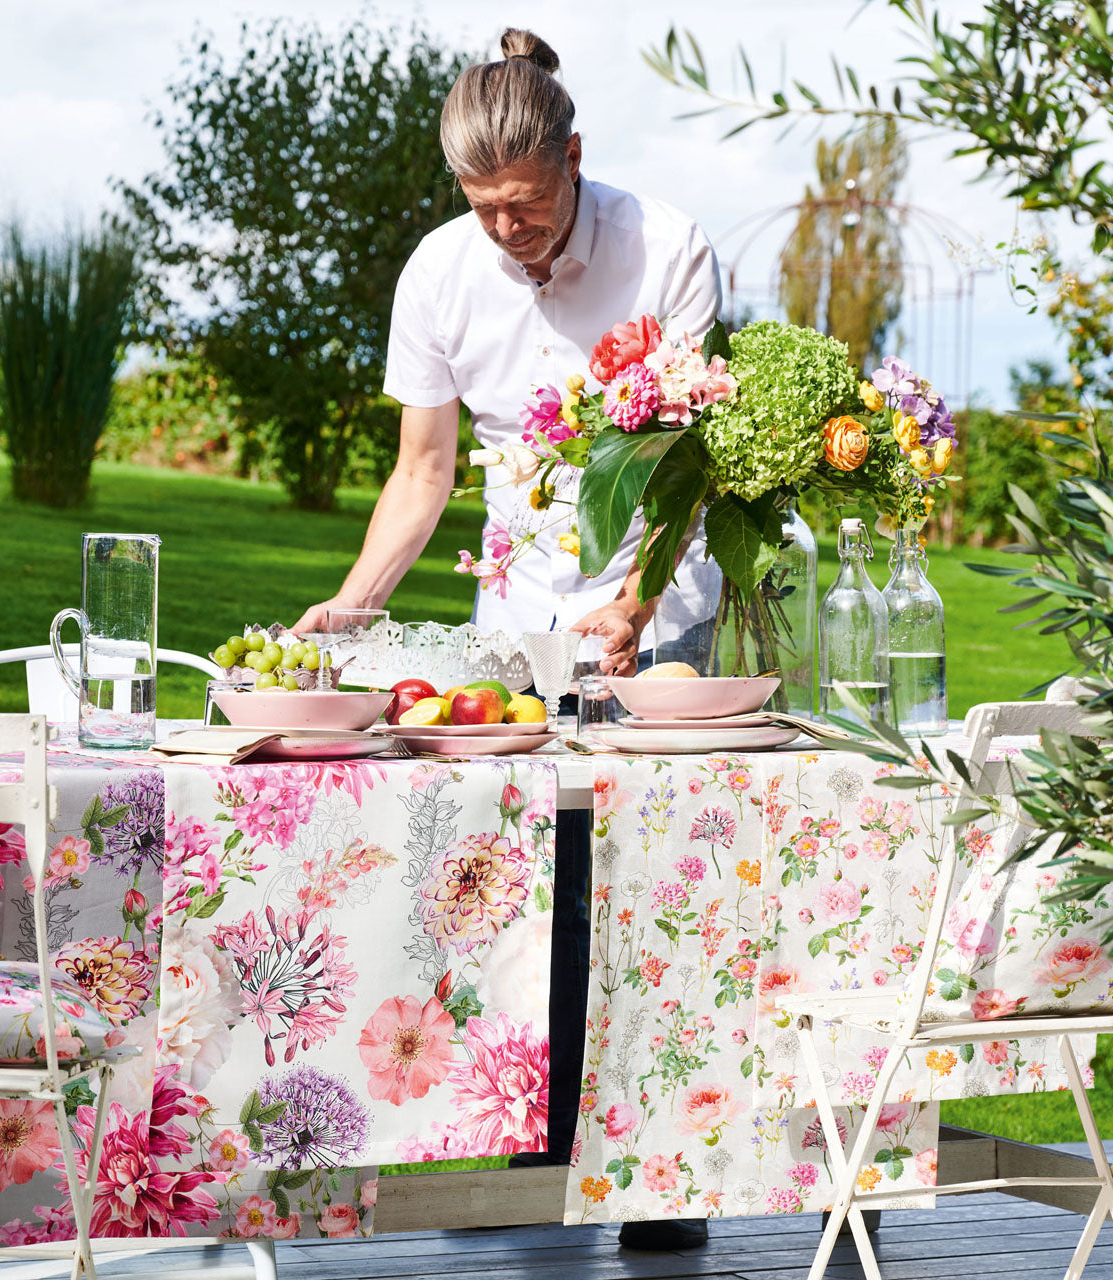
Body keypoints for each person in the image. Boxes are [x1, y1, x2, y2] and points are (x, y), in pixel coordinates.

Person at [293, 27, 721, 1251]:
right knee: (509, 882)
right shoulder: (438, 272)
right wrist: (353, 606)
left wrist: (637, 601)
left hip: (655, 588)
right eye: (481, 208)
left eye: (524, 206)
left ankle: (660, 1177)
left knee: (650, 886)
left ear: (574, 159)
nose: (504, 230)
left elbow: (688, 461)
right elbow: (422, 469)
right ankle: (520, 1156)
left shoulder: (664, 245)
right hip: (514, 604)